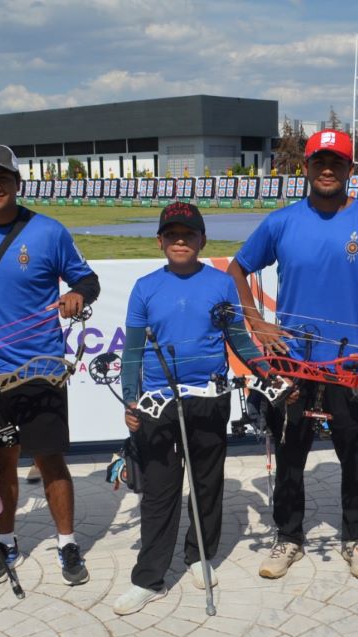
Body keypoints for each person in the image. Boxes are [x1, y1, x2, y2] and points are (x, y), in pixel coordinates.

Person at [227, 129, 358, 580]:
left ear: (350, 169)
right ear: (304, 167)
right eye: (319, 161)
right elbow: (236, 269)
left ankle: (356, 537)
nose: (327, 169)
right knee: (289, 454)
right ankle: (289, 537)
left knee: (356, 453)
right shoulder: (281, 222)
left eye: (337, 162)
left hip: (348, 364)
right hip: (291, 364)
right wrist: (258, 323)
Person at [0, 143, 100, 586]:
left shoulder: (48, 231)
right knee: (3, 462)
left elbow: (87, 278)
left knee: (50, 460)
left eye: (3, 178)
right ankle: (6, 542)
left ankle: (67, 542)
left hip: (41, 368)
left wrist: (76, 294)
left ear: (18, 183)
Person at [113, 203, 264, 615]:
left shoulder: (220, 284)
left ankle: (199, 555)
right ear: (160, 241)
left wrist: (268, 372)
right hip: (158, 404)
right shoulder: (145, 287)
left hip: (210, 400)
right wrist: (131, 400)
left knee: (206, 484)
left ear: (202, 241)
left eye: (189, 235)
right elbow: (132, 352)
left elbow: (239, 340)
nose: (181, 241)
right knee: (159, 492)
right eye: (172, 235)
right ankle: (149, 578)